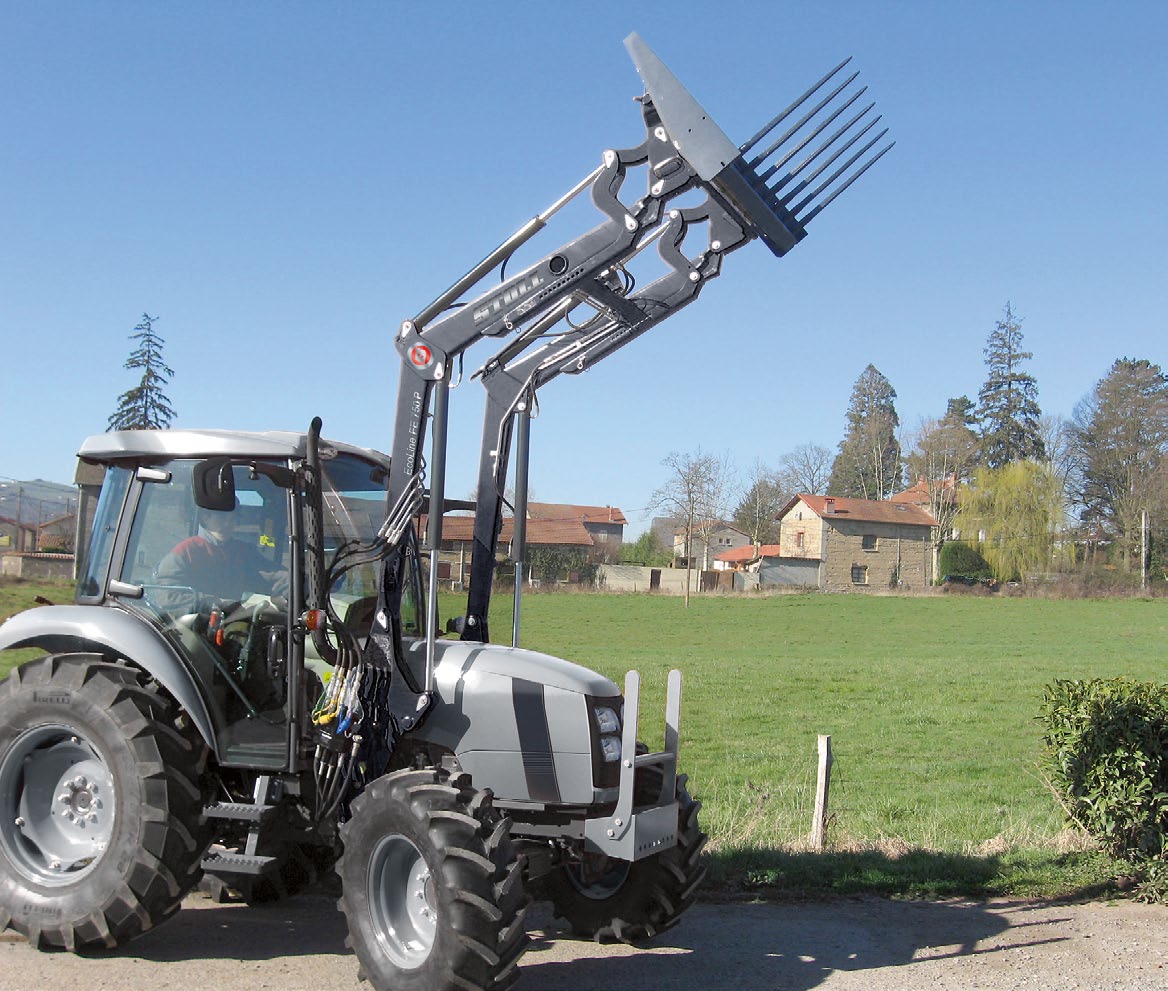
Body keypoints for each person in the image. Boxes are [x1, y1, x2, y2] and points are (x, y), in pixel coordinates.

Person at [156, 505, 283, 605]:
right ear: (206, 517)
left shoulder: (245, 552)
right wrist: (213, 604)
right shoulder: (186, 552)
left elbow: (275, 575)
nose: (228, 524)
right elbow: (167, 595)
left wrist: (297, 586)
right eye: (222, 518)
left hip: (236, 622)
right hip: (194, 627)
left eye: (232, 519)